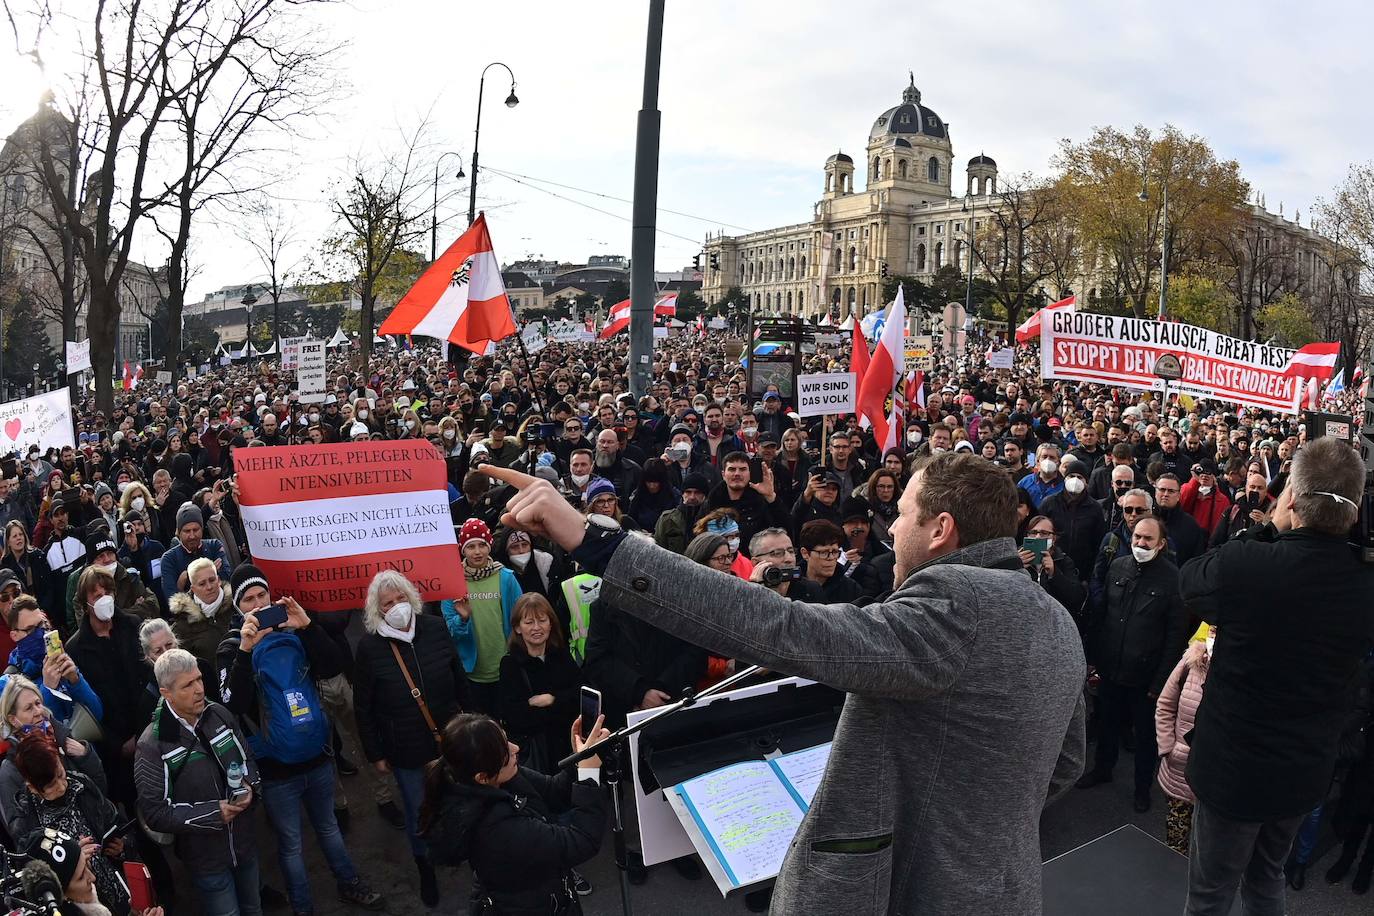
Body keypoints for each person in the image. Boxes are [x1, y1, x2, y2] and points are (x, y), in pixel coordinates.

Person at [481, 453, 1086, 915]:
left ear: (940, 529)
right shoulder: (1054, 616)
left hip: (913, 893)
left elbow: (782, 626)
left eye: (901, 516)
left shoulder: (954, 605)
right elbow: (1064, 763)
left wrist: (595, 539)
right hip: (1007, 888)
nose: (889, 532)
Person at [1179, 437, 1374, 915]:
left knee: (1211, 892)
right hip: (1304, 771)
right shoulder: (1365, 580)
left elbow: (1190, 582)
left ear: (1290, 497)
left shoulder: (1249, 563)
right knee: (1267, 879)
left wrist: (1266, 529)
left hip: (1232, 771)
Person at [353, 570, 467, 907]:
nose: (396, 606)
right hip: (405, 748)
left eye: (401, 598)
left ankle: (464, 851)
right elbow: (364, 708)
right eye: (388, 603)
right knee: (421, 812)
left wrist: (476, 723)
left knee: (460, 800)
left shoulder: (433, 627)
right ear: (378, 611)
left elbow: (458, 676)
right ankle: (426, 869)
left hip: (450, 738)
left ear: (412, 599)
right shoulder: (370, 648)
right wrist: (375, 752)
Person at [420, 713, 608, 915]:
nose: (515, 748)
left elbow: (553, 791)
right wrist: (589, 775)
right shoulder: (496, 828)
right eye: (505, 752)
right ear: (482, 777)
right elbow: (582, 841)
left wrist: (578, 757)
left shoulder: (499, 776)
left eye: (506, 739)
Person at [135, 648, 261, 916]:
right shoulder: (151, 745)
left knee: (254, 909)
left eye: (199, 679)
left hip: (245, 843)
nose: (199, 690)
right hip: (206, 860)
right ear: (165, 693)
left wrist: (250, 785)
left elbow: (247, 757)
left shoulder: (219, 714)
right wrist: (214, 814)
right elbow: (155, 813)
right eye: (187, 685)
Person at [1077, 515, 1187, 811]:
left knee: (1145, 737)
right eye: (1137, 537)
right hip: (1112, 667)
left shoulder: (1173, 579)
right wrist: (1093, 659)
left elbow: (1175, 637)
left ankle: (1142, 788)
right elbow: (1103, 616)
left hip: (1146, 677)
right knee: (1108, 724)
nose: (1140, 543)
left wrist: (1160, 682)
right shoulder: (1118, 566)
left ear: (1161, 544)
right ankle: (1103, 769)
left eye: (1148, 539)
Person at [9, 734, 130, 915]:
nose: (62, 786)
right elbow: (38, 888)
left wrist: (123, 847)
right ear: (32, 787)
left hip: (120, 891)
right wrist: (74, 861)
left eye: (61, 774)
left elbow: (115, 822)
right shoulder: (26, 826)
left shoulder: (81, 784)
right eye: (51, 785)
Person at [441, 518, 523, 714]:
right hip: (471, 674)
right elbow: (449, 631)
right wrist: (462, 619)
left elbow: (520, 620)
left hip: (505, 668)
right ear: (462, 549)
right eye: (471, 546)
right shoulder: (453, 582)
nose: (477, 552)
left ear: (489, 546)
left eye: (481, 545)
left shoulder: (506, 578)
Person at [496, 593, 581, 774]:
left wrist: (551, 700)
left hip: (567, 750)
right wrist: (560, 708)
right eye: (528, 622)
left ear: (551, 624)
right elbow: (514, 717)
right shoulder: (510, 665)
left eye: (542, 621)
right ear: (518, 628)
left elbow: (580, 697)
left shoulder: (562, 656)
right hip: (536, 758)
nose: (536, 628)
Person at [1155, 628, 1214, 855]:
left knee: (1207, 846)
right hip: (1180, 768)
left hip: (1214, 777)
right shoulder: (1189, 664)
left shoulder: (1238, 674)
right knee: (1176, 838)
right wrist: (1168, 747)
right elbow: (1165, 704)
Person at [1018, 516, 1086, 627]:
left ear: (1053, 538)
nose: (1038, 537)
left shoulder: (1063, 561)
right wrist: (1017, 568)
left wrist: (1054, 573)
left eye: (1044, 533)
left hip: (1054, 625)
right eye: (1033, 532)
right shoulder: (1016, 559)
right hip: (1025, 623)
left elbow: (1076, 598)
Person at [169, 557, 237, 665]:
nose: (209, 587)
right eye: (202, 584)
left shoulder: (237, 605)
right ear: (193, 589)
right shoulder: (182, 626)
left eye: (212, 580)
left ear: (218, 580)